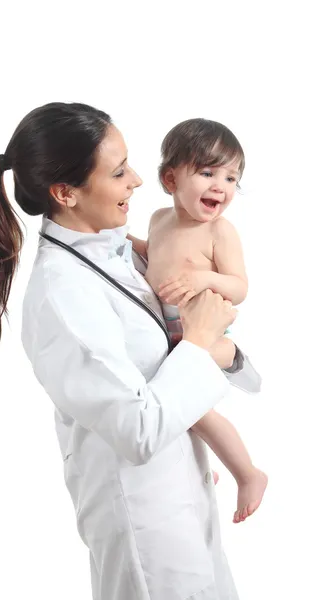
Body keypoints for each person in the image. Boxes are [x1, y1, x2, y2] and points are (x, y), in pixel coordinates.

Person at [0, 102, 252, 599]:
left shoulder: (121, 252)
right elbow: (136, 428)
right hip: (144, 521)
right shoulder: (62, 295)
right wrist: (203, 345)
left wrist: (223, 353)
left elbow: (173, 350)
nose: (138, 180)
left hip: (185, 493)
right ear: (65, 193)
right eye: (118, 172)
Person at [127, 118, 267, 524]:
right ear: (170, 179)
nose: (220, 186)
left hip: (206, 336)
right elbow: (156, 255)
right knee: (176, 410)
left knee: (196, 412)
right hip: (169, 336)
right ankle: (202, 468)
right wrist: (125, 243)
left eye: (230, 177)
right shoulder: (158, 219)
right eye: (207, 172)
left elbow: (239, 287)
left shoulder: (220, 232)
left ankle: (249, 474)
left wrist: (203, 278)